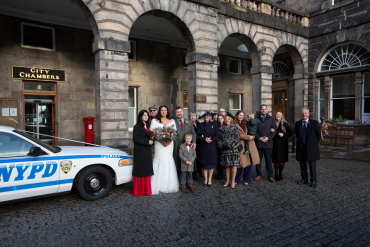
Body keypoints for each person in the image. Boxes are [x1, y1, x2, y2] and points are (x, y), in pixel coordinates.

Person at [150, 105, 178, 194]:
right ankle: (158, 185)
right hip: (159, 144)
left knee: (168, 160)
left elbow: (174, 133)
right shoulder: (155, 121)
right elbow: (152, 133)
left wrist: (168, 142)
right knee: (159, 160)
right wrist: (161, 141)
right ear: (159, 111)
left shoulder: (172, 121)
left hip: (169, 145)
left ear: (167, 111)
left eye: (165, 110)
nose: (163, 112)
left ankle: (168, 185)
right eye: (161, 110)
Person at [130, 110, 154, 196]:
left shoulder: (148, 126)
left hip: (147, 152)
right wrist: (147, 142)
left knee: (146, 170)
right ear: (140, 116)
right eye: (144, 115)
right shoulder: (137, 126)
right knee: (140, 170)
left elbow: (151, 138)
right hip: (140, 152)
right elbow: (136, 139)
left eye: (147, 115)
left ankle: (146, 190)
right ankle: (139, 190)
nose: (146, 117)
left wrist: (152, 141)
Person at [295, 108, 321, 188]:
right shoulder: (297, 124)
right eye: (302, 113)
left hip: (311, 148)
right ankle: (304, 179)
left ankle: (313, 180)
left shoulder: (314, 123)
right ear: (300, 114)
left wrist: (313, 144)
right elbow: (297, 134)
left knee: (312, 165)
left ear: (308, 114)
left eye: (305, 113)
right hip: (301, 147)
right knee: (302, 164)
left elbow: (318, 135)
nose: (304, 115)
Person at [234, 110, 260, 186]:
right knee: (240, 163)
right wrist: (248, 137)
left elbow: (253, 130)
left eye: (242, 115)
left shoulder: (246, 123)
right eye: (239, 115)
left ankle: (247, 179)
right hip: (241, 144)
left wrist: (253, 136)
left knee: (249, 163)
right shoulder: (234, 124)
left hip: (249, 145)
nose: (241, 117)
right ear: (237, 115)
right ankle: (237, 179)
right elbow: (237, 135)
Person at [254, 104, 277, 182]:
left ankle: (270, 175)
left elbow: (274, 129)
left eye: (265, 109)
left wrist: (268, 138)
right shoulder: (256, 118)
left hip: (268, 143)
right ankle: (258, 174)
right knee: (258, 161)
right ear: (260, 110)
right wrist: (258, 137)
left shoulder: (271, 118)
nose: (263, 110)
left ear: (267, 110)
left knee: (268, 161)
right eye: (262, 109)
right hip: (258, 143)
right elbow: (253, 130)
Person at [217, 113, 240, 188]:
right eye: (226, 119)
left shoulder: (235, 127)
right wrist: (221, 145)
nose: (227, 120)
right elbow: (218, 139)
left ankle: (233, 180)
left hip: (233, 150)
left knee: (233, 166)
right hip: (224, 150)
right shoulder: (221, 128)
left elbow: (237, 138)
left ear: (231, 120)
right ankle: (227, 180)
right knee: (226, 166)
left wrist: (230, 146)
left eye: (228, 119)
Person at [173, 106, 197, 179]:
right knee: (177, 162)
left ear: (183, 112)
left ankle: (188, 181)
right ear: (175, 113)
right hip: (176, 145)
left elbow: (193, 133)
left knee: (187, 163)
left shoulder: (189, 121)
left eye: (180, 112)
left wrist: (194, 142)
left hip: (188, 146)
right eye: (177, 112)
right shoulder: (172, 121)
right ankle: (178, 180)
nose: (179, 113)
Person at [197, 111, 219, 187]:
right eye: (205, 116)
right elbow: (197, 135)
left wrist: (211, 139)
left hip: (212, 145)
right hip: (203, 145)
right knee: (204, 163)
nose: (206, 117)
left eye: (208, 116)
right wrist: (204, 139)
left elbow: (217, 135)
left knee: (211, 163)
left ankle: (210, 179)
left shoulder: (214, 124)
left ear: (210, 117)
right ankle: (205, 179)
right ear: (203, 117)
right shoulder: (200, 125)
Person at [271, 112, 292, 181]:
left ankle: (280, 173)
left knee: (282, 160)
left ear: (282, 116)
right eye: (277, 114)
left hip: (283, 145)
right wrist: (270, 131)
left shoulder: (285, 124)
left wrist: (283, 134)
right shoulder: (272, 123)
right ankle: (276, 174)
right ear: (275, 116)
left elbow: (290, 133)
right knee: (275, 159)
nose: (278, 116)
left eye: (279, 115)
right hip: (274, 144)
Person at [189, 112, 201, 179]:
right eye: (191, 116)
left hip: (199, 143)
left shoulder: (199, 124)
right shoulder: (188, 124)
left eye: (194, 116)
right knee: (192, 159)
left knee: (198, 158)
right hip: (191, 143)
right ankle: (193, 175)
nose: (193, 118)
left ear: (196, 117)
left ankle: (199, 172)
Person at [215, 115, 225, 180]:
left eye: (221, 118)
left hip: (224, 145)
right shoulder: (216, 125)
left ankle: (223, 173)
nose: (220, 119)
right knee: (218, 160)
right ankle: (219, 173)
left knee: (224, 159)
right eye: (219, 118)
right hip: (217, 144)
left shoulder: (225, 125)